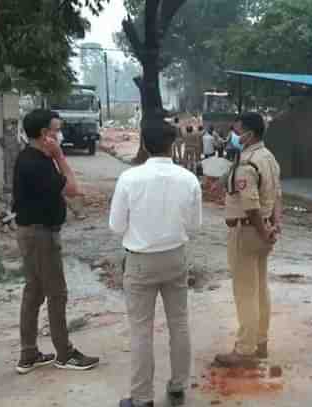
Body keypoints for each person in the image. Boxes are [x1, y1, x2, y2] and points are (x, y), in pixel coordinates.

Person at [110, 121, 203, 407]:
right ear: (172, 143)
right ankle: (177, 386)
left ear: (145, 145)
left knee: (141, 329)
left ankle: (141, 398)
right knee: (179, 323)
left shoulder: (129, 178)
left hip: (140, 261)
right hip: (175, 257)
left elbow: (116, 226)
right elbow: (194, 226)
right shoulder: (188, 179)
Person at [13, 109, 100, 374]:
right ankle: (65, 353)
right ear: (44, 134)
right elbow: (73, 189)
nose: (59, 134)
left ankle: (28, 354)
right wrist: (61, 156)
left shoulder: (30, 157)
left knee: (34, 292)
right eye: (56, 129)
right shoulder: (38, 162)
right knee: (56, 294)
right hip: (41, 236)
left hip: (31, 232)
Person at [214, 112, 283, 368]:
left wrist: (264, 230)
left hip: (246, 231)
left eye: (237, 130)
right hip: (264, 230)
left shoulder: (248, 163)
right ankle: (260, 342)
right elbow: (277, 195)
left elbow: (251, 204)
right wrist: (275, 225)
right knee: (260, 288)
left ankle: (244, 350)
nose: (234, 134)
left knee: (245, 292)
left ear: (249, 134)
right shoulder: (268, 158)